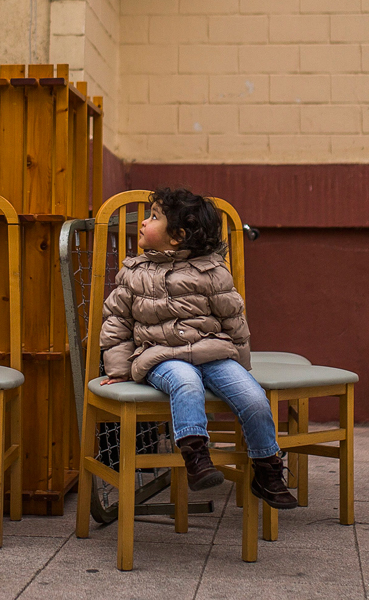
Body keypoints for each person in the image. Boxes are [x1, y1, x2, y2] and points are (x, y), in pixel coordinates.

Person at [98, 187, 299, 509]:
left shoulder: (212, 271)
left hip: (212, 352)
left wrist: (241, 367)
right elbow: (116, 322)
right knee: (185, 382)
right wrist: (119, 370)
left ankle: (268, 469)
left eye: (153, 217)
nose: (144, 223)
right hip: (160, 354)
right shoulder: (133, 273)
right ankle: (196, 457)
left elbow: (233, 319)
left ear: (176, 236)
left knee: (253, 397)